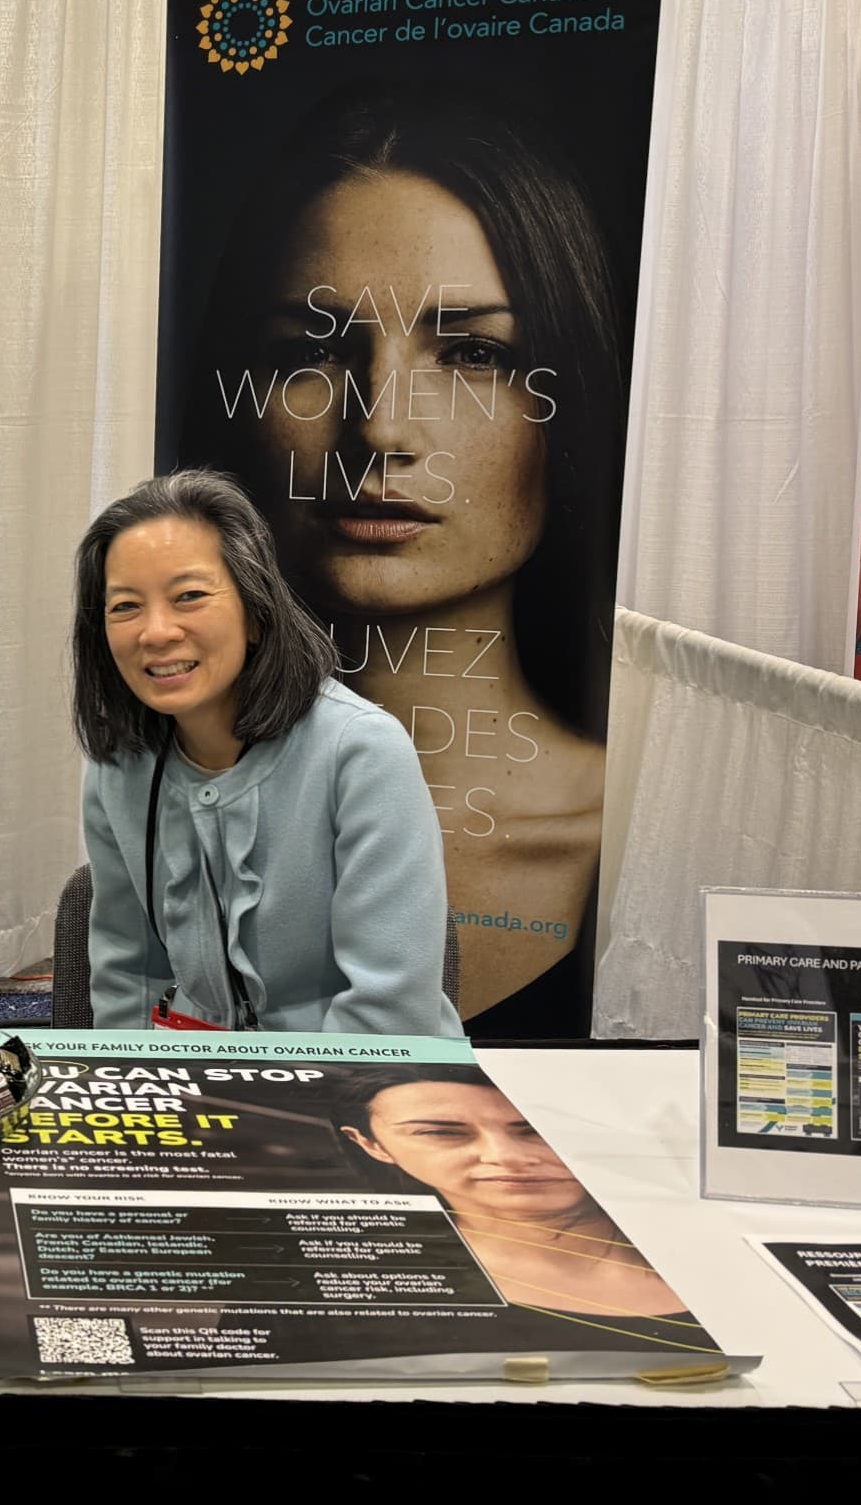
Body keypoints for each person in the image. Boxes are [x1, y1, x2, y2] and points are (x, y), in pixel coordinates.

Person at [177, 87, 624, 1028]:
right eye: (311, 351)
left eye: (471, 354)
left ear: (570, 398)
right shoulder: (170, 809)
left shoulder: (644, 851)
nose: (378, 427)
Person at [72, 468, 460, 1036]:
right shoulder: (118, 765)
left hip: (364, 1084)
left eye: (190, 597)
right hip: (201, 1079)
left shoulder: (361, 751)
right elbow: (126, 974)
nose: (155, 632)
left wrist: (278, 1117)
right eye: (125, 606)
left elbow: (389, 1008)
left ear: (255, 611)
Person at [333, 1068, 691, 1323]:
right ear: (370, 1144)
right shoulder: (362, 1278)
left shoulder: (697, 1240)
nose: (506, 1156)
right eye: (441, 1132)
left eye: (537, 1130)